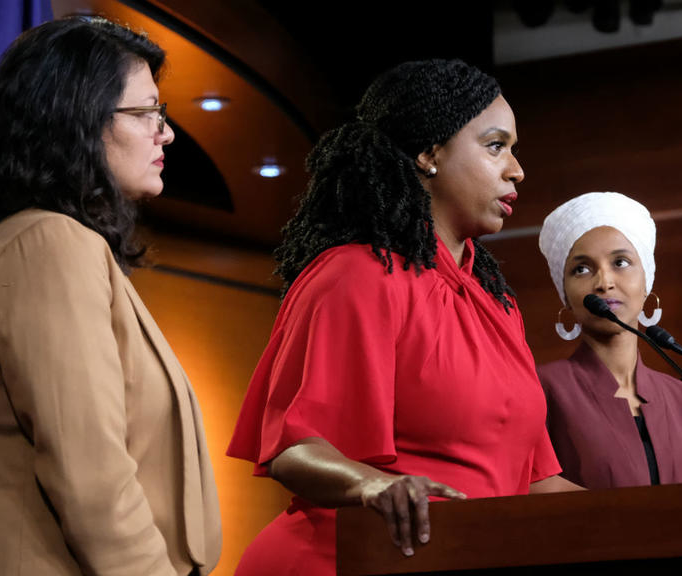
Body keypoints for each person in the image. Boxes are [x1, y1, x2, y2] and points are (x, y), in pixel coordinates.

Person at [226, 59, 575, 576]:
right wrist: (373, 484)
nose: (516, 169)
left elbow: (536, 481)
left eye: (514, 151)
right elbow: (293, 450)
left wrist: (653, 523)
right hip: (341, 563)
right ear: (429, 153)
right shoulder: (356, 275)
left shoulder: (495, 303)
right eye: (496, 146)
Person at [0, 16, 221, 576]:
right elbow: (94, 480)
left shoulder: (53, 241)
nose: (167, 133)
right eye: (147, 112)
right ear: (77, 118)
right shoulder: (47, 243)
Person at [536, 192, 682, 488]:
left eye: (620, 262)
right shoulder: (542, 390)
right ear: (565, 295)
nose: (604, 282)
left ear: (646, 281)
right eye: (581, 269)